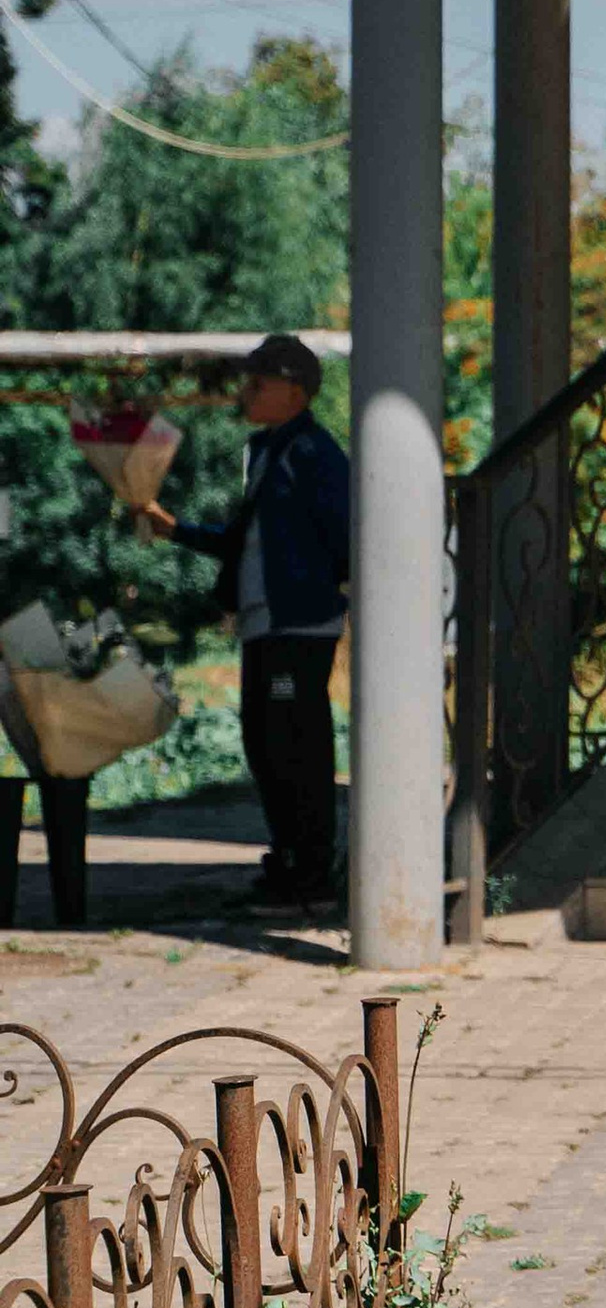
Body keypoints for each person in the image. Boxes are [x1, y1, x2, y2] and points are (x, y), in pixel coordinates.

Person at [140, 332, 348, 912]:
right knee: (265, 739)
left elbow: (346, 531)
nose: (246, 390)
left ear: (296, 392)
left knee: (293, 739)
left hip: (297, 628)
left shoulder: (313, 453)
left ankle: (310, 870)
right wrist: (177, 530)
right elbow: (244, 539)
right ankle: (289, 859)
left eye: (260, 381)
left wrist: (324, 589)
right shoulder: (266, 452)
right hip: (265, 624)